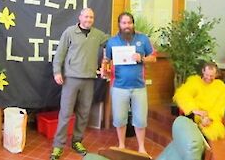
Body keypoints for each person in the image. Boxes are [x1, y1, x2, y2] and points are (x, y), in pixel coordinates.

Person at [50, 8, 110, 160]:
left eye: (91, 17)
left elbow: (113, 43)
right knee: (65, 113)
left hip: (89, 79)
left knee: (84, 114)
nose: (89, 20)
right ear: (80, 17)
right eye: (86, 16)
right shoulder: (69, 32)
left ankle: (77, 141)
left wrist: (130, 39)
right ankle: (58, 146)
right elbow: (60, 54)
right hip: (71, 79)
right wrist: (57, 71)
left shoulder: (98, 35)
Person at [105, 12, 156, 154]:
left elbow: (153, 58)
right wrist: (105, 69)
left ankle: (141, 147)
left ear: (133, 24)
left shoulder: (143, 39)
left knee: (140, 120)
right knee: (120, 119)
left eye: (129, 23)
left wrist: (142, 58)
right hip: (119, 87)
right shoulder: (112, 42)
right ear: (119, 25)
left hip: (139, 87)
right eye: (124, 23)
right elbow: (106, 61)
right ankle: (121, 145)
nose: (127, 26)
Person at [173, 62, 225, 141]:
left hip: (211, 117)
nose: (208, 78)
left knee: (213, 131)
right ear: (203, 71)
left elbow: (219, 107)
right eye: (207, 75)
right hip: (195, 114)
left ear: (216, 74)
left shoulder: (222, 88)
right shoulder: (194, 82)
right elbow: (182, 95)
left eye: (211, 76)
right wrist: (195, 110)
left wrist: (209, 118)